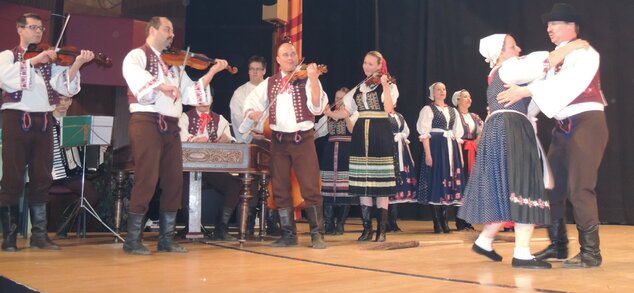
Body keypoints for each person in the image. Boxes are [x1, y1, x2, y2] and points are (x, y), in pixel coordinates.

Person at [458, 33, 588, 269]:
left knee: (506, 187)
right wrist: (574, 46)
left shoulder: (501, 75)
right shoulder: (507, 69)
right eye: (512, 46)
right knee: (524, 184)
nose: (518, 49)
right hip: (512, 128)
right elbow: (543, 62)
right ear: (500, 54)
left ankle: (485, 240)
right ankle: (522, 253)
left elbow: (534, 101)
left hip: (503, 128)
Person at [497, 3, 608, 268]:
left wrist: (525, 93)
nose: (548, 29)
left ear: (571, 26)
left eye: (554, 24)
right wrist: (521, 115)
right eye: (548, 25)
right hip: (563, 127)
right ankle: (559, 246)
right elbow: (541, 87)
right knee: (553, 189)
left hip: (587, 122)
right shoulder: (556, 56)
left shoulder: (586, 53)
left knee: (580, 187)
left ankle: (591, 253)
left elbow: (566, 85)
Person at [121, 16, 227, 255]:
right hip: (147, 121)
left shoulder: (175, 64)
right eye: (167, 30)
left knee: (173, 181)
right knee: (147, 178)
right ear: (152, 30)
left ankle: (166, 239)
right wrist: (160, 86)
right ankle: (133, 240)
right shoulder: (136, 56)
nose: (172, 34)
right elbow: (136, 80)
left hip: (171, 126)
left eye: (172, 31)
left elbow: (191, 94)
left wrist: (211, 72)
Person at [0, 13, 94, 252]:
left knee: (42, 178)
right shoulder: (8, 56)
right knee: (12, 177)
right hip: (16, 118)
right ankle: (9, 237)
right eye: (33, 28)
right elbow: (5, 79)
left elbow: (63, 86)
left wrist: (77, 64)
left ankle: (39, 235)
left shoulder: (50, 61)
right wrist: (33, 61)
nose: (39, 32)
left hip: (44, 119)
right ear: (20, 29)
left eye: (41, 28)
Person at [241, 42, 328, 249]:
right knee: (279, 187)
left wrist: (314, 79)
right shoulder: (270, 83)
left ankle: (317, 234)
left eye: (293, 54)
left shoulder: (307, 78)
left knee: (310, 186)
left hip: (302, 139)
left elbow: (317, 107)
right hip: (279, 141)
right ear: (278, 60)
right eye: (285, 55)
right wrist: (253, 112)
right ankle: (289, 235)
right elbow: (250, 102)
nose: (290, 57)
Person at [329, 51, 398, 242]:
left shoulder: (390, 85)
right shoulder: (359, 87)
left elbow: (389, 109)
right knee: (362, 182)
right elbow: (346, 111)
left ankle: (381, 230)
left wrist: (384, 84)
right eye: (364, 63)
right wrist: (329, 112)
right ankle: (367, 228)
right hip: (360, 133)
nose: (366, 66)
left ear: (379, 66)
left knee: (381, 182)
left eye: (370, 64)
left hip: (380, 132)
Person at [178, 97, 242, 241]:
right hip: (187, 167)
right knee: (180, 186)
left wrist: (227, 140)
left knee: (234, 185)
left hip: (211, 167)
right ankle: (190, 226)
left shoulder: (220, 119)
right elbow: (180, 135)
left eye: (206, 98)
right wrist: (194, 139)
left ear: (212, 100)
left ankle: (221, 228)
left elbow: (230, 138)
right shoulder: (184, 117)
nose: (202, 101)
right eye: (199, 98)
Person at [50, 96, 103, 239]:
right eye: (59, 99)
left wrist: (100, 150)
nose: (63, 104)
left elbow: (86, 154)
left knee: (92, 195)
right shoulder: (45, 122)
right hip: (48, 172)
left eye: (67, 100)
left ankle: (64, 221)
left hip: (70, 173)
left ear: (71, 102)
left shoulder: (77, 125)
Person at [416, 82, 464, 234]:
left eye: (444, 89)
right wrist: (428, 155)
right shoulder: (428, 109)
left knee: (448, 184)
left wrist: (460, 157)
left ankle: (445, 221)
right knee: (436, 182)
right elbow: (424, 134)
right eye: (439, 89)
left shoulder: (452, 111)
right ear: (433, 93)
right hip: (436, 149)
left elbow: (457, 135)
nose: (442, 91)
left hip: (451, 149)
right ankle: (437, 222)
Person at [314, 87, 357, 235]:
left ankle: (341, 223)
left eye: (342, 98)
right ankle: (329, 222)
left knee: (344, 189)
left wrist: (345, 115)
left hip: (346, 152)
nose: (338, 101)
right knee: (328, 188)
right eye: (336, 97)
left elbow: (353, 130)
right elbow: (318, 132)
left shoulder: (354, 113)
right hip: (330, 152)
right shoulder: (328, 116)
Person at [452, 89, 482, 231]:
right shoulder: (453, 114)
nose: (468, 99)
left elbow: (483, 130)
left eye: (469, 97)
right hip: (459, 150)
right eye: (465, 97)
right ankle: (459, 219)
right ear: (457, 100)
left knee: (471, 185)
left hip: (472, 151)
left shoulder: (474, 117)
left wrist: (477, 140)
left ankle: (467, 218)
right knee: (460, 183)